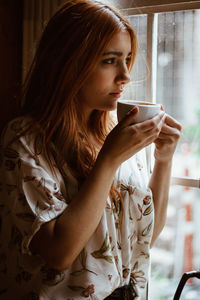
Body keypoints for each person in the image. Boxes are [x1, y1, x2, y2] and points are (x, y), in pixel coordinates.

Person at [0, 0, 182, 299]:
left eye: (128, 58)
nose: (125, 75)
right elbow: (58, 253)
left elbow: (144, 238)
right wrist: (108, 159)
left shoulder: (115, 131)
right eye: (110, 60)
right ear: (69, 63)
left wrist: (164, 160)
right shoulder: (25, 140)